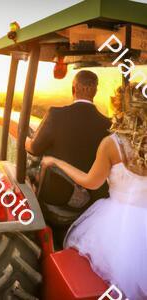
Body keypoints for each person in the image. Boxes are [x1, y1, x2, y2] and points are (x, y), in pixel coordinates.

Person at [42, 84, 147, 299]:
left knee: (114, 282)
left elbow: (91, 182)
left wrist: (57, 162)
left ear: (121, 108)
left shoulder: (112, 144)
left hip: (117, 225)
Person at [25, 70, 111, 241]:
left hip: (56, 197)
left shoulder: (55, 115)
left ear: (73, 89)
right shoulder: (107, 124)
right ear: (95, 91)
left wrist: (25, 140)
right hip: (93, 202)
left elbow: (34, 149)